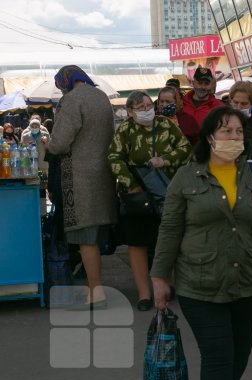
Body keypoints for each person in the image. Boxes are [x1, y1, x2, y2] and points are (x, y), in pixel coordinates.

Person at [151, 106, 252, 380]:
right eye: (227, 131)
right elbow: (170, 228)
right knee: (217, 355)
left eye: (239, 132)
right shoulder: (186, 178)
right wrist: (159, 277)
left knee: (238, 357)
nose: (234, 137)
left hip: (248, 281)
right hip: (199, 285)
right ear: (210, 137)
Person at [106, 90, 191, 311]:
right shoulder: (125, 129)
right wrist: (130, 184)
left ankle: (167, 285)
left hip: (166, 191)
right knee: (137, 243)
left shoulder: (166, 125)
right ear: (131, 112)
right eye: (140, 108)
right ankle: (144, 294)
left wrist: (165, 160)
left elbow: (185, 149)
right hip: (137, 195)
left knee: (167, 238)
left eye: (148, 106)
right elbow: (113, 157)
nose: (146, 111)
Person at [44, 65, 117, 309]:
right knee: (95, 236)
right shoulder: (101, 96)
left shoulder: (72, 100)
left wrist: (48, 146)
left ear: (66, 81)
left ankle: (96, 294)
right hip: (102, 173)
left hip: (78, 176)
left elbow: (61, 141)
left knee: (86, 238)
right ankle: (95, 290)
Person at [177, 67, 225, 146]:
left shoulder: (219, 106)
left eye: (206, 83)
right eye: (199, 83)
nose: (202, 87)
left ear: (210, 85)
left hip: (206, 152)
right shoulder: (180, 103)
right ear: (193, 82)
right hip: (181, 151)